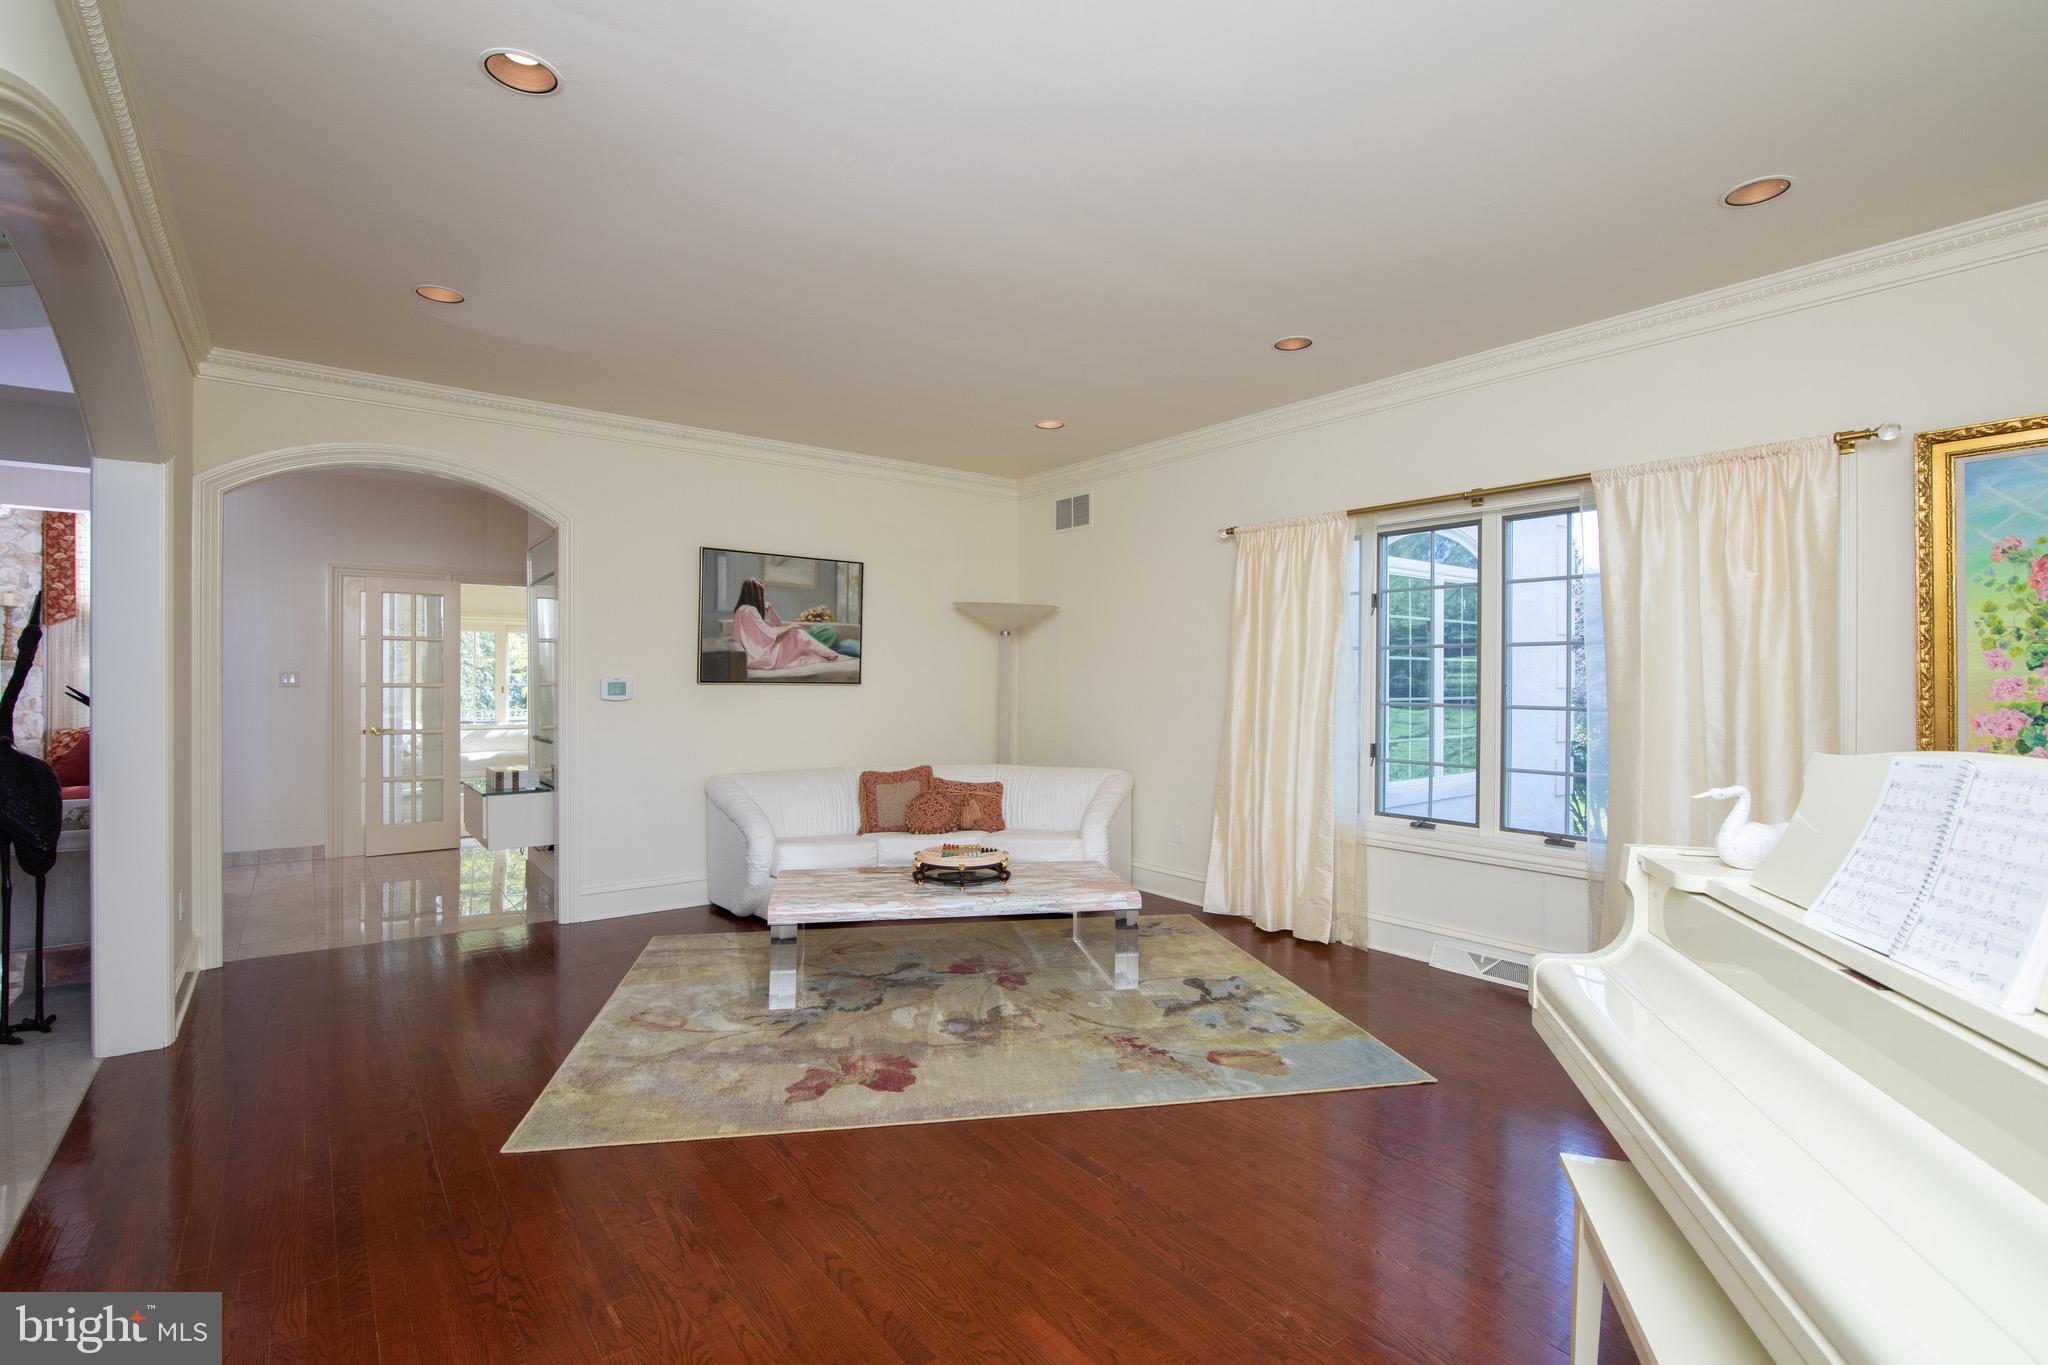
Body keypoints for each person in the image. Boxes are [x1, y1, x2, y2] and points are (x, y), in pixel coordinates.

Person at [730, 579, 845, 670]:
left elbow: (777, 625)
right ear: (755, 594)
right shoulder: (750, 611)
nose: (765, 594)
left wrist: (771, 610)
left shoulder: (741, 610)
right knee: (795, 632)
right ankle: (828, 654)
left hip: (755, 652)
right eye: (762, 591)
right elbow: (769, 633)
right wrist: (791, 626)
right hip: (760, 656)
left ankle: (826, 654)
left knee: (795, 638)